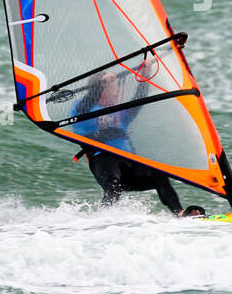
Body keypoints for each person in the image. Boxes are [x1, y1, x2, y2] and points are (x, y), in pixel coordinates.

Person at [69, 56, 206, 216]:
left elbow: (139, 100)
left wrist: (145, 75)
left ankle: (179, 212)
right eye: (111, 87)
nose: (117, 91)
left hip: (128, 162)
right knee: (113, 184)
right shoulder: (82, 108)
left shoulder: (121, 111)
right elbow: (88, 101)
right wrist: (101, 84)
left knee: (159, 175)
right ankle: (103, 217)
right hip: (102, 159)